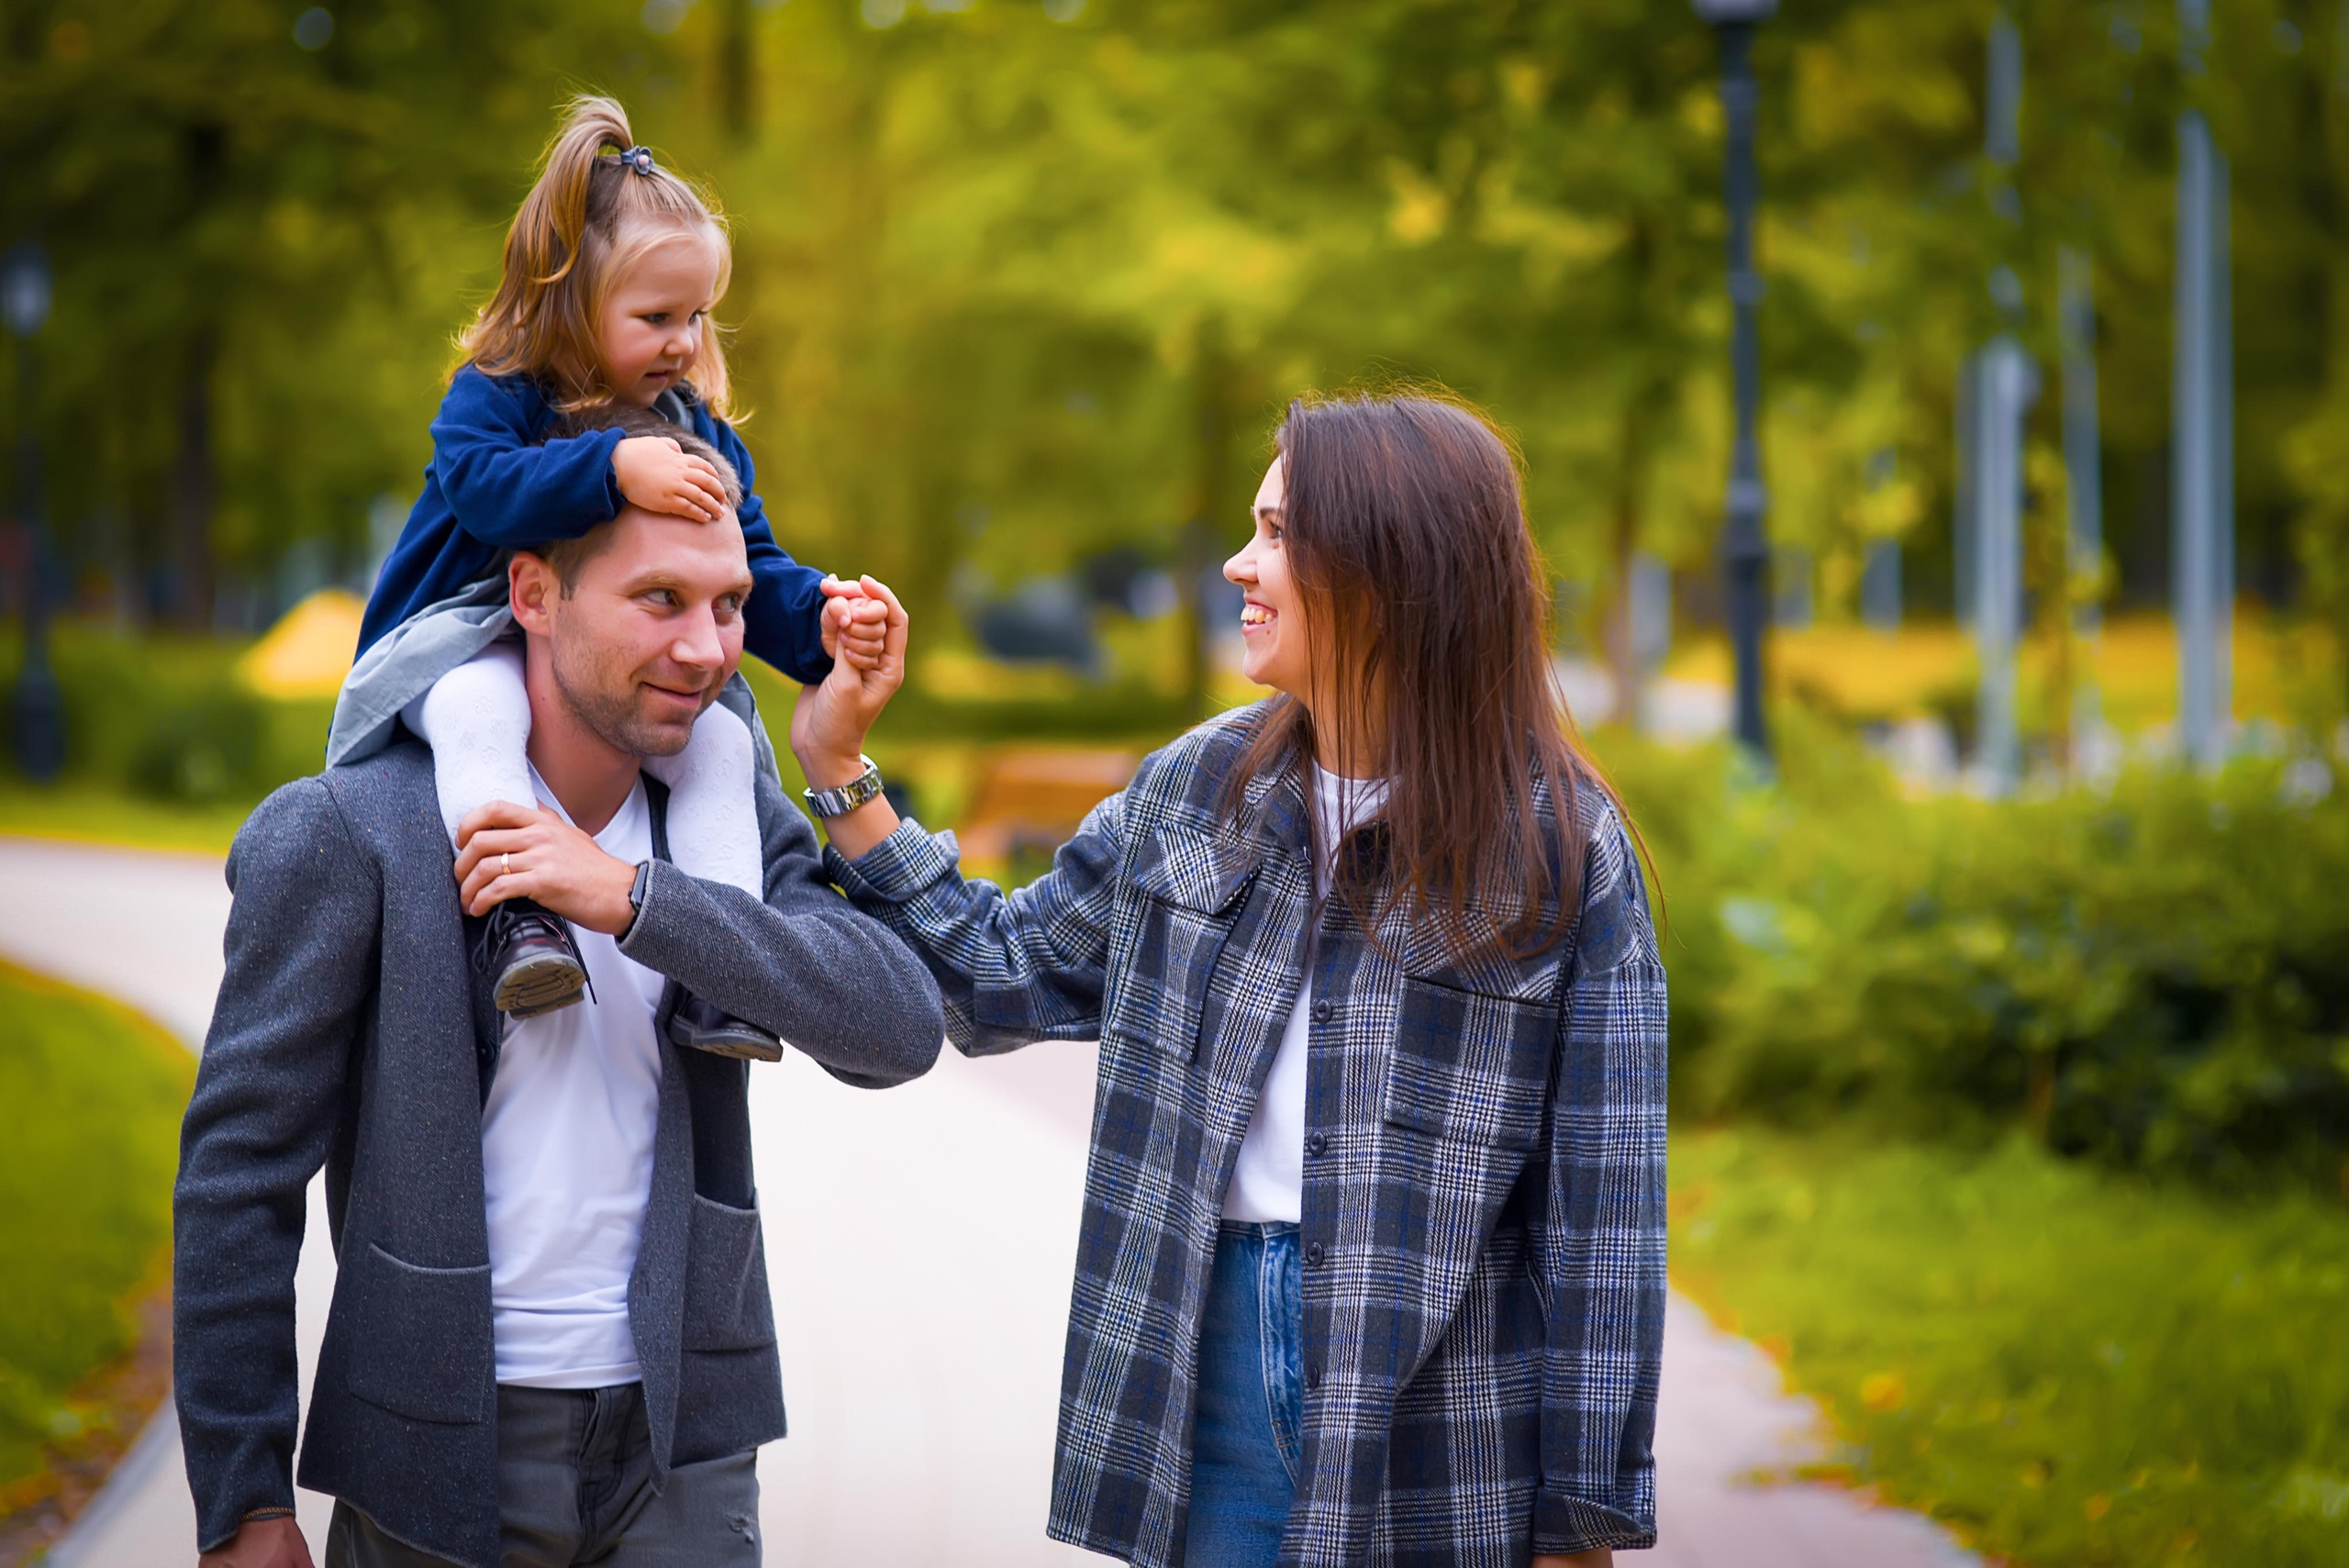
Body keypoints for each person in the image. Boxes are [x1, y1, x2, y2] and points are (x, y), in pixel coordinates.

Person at [791, 390, 1668, 1568]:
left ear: (1384, 566)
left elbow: (1603, 1218)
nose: (1235, 563)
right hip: (1208, 1382)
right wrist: (841, 771)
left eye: (1274, 534)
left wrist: (1581, 1521)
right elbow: (1001, 975)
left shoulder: (1560, 847)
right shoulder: (1196, 788)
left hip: (1448, 1415)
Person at [175, 445, 946, 1568]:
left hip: (688, 1442)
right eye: (659, 599)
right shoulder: (348, 832)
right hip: (436, 1447)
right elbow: (237, 1174)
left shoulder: (725, 823)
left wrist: (633, 898)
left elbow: (898, 1027)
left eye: (731, 604)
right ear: (534, 593)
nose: (707, 648)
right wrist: (241, 1496)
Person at [343, 93, 887, 1058]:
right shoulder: (500, 394)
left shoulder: (699, 432)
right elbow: (476, 487)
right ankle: (521, 918)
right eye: (655, 316)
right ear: (570, 301)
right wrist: (609, 468)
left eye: (698, 316)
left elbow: (748, 565)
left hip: (591, 667)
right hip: (454, 639)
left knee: (719, 748)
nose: (682, 341)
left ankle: (725, 975)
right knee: (481, 707)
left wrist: (821, 620)